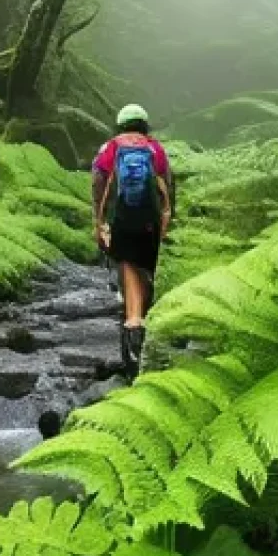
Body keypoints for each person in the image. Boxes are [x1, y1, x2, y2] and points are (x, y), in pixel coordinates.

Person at [92, 104, 173, 379]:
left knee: (130, 286)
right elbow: (168, 189)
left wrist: (100, 222)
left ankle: (132, 362)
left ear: (120, 125)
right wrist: (165, 225)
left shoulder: (110, 148)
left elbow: (98, 184)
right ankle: (147, 349)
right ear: (144, 124)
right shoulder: (155, 150)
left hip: (122, 224)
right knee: (146, 278)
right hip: (150, 226)